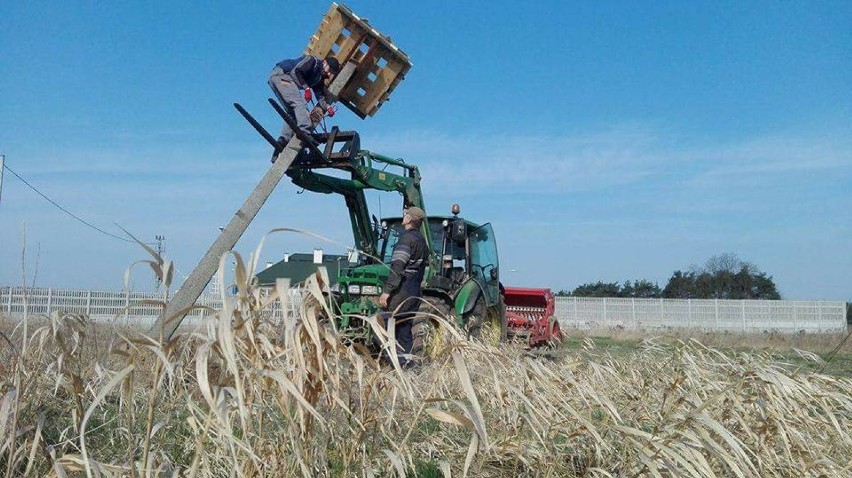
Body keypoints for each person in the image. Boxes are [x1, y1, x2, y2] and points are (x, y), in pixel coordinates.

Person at [378, 206, 429, 367]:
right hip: (415, 291)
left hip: (402, 289)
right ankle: (407, 365)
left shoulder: (407, 239)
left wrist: (386, 292)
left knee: (387, 326)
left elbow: (398, 267)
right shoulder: (422, 241)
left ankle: (394, 365)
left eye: (405, 214)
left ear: (409, 219)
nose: (403, 216)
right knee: (405, 328)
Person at [268, 55, 341, 159]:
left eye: (332, 73)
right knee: (299, 103)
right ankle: (305, 132)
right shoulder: (312, 61)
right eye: (330, 70)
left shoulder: (318, 77)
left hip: (277, 79)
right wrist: (306, 89)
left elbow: (320, 96)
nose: (329, 74)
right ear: (325, 63)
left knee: (292, 112)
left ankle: (283, 140)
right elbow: (295, 71)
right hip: (282, 75)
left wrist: (327, 106)